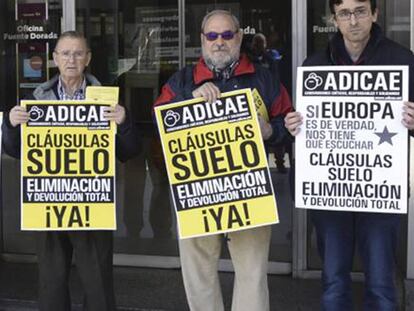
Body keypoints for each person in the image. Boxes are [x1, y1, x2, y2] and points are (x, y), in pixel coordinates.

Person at [154, 10, 292, 311]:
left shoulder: (264, 79)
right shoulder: (182, 81)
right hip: (197, 193)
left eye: (227, 35)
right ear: (203, 40)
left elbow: (291, 127)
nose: (219, 42)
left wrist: (270, 129)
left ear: (239, 38)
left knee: (253, 275)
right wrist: (188, 99)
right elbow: (159, 123)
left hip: (249, 192)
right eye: (212, 36)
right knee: (198, 274)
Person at [285, 0, 414, 310]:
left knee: (382, 282)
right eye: (345, 13)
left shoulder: (403, 61)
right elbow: (306, 124)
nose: (353, 20)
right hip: (331, 191)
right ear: (334, 19)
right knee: (333, 280)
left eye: (360, 11)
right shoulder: (314, 65)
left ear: (374, 14)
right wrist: (294, 125)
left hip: (380, 189)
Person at [2, 31, 140, 311]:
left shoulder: (106, 99)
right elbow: (15, 151)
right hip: (49, 203)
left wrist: (124, 122)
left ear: (88, 58)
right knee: (51, 282)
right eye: (65, 53)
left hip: (92, 202)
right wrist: (11, 126)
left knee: (97, 282)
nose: (71, 59)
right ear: (55, 59)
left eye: (78, 53)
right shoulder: (36, 98)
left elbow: (128, 151)